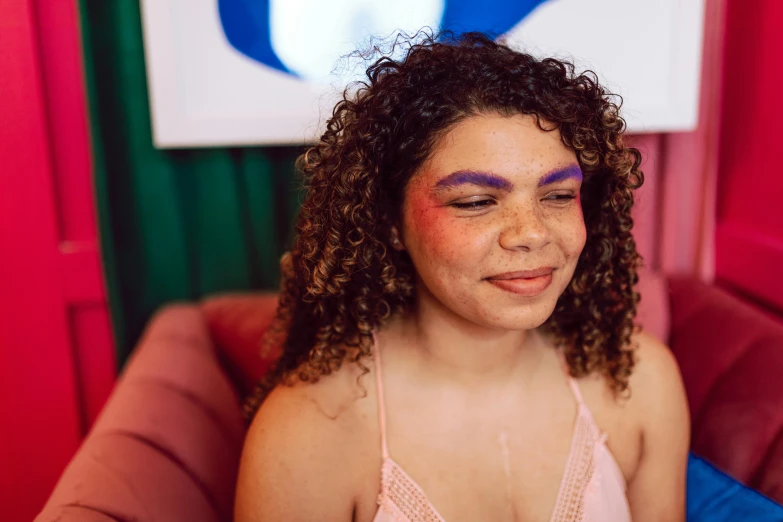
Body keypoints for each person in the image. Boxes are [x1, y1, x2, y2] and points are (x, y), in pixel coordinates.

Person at [234, 31, 689, 522]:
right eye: (475, 202)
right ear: (389, 221)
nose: (530, 234)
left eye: (558, 195)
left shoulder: (641, 381)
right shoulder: (308, 433)